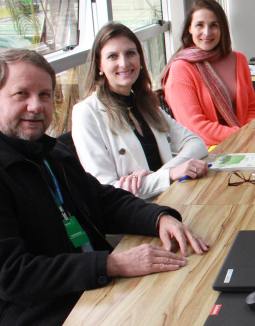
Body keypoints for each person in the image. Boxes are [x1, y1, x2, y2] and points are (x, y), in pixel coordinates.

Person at [0, 49, 208, 326]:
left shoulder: (47, 150)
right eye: (21, 94)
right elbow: (12, 276)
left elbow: (103, 200)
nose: (36, 106)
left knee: (179, 315)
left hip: (80, 296)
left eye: (44, 95)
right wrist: (112, 264)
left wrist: (159, 218)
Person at [72, 22, 209, 199]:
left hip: (173, 197)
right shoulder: (86, 113)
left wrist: (164, 174)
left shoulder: (144, 102)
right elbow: (108, 191)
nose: (124, 63)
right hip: (136, 216)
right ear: (99, 66)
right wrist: (168, 175)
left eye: (130, 53)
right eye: (112, 56)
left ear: (140, 59)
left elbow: (197, 144)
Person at [162, 0, 255, 146]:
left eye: (214, 25)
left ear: (222, 29)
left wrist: (248, 136)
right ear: (189, 28)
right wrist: (242, 136)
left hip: (246, 143)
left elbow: (252, 107)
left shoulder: (238, 59)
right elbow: (195, 128)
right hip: (207, 152)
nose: (207, 32)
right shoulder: (181, 69)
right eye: (199, 25)